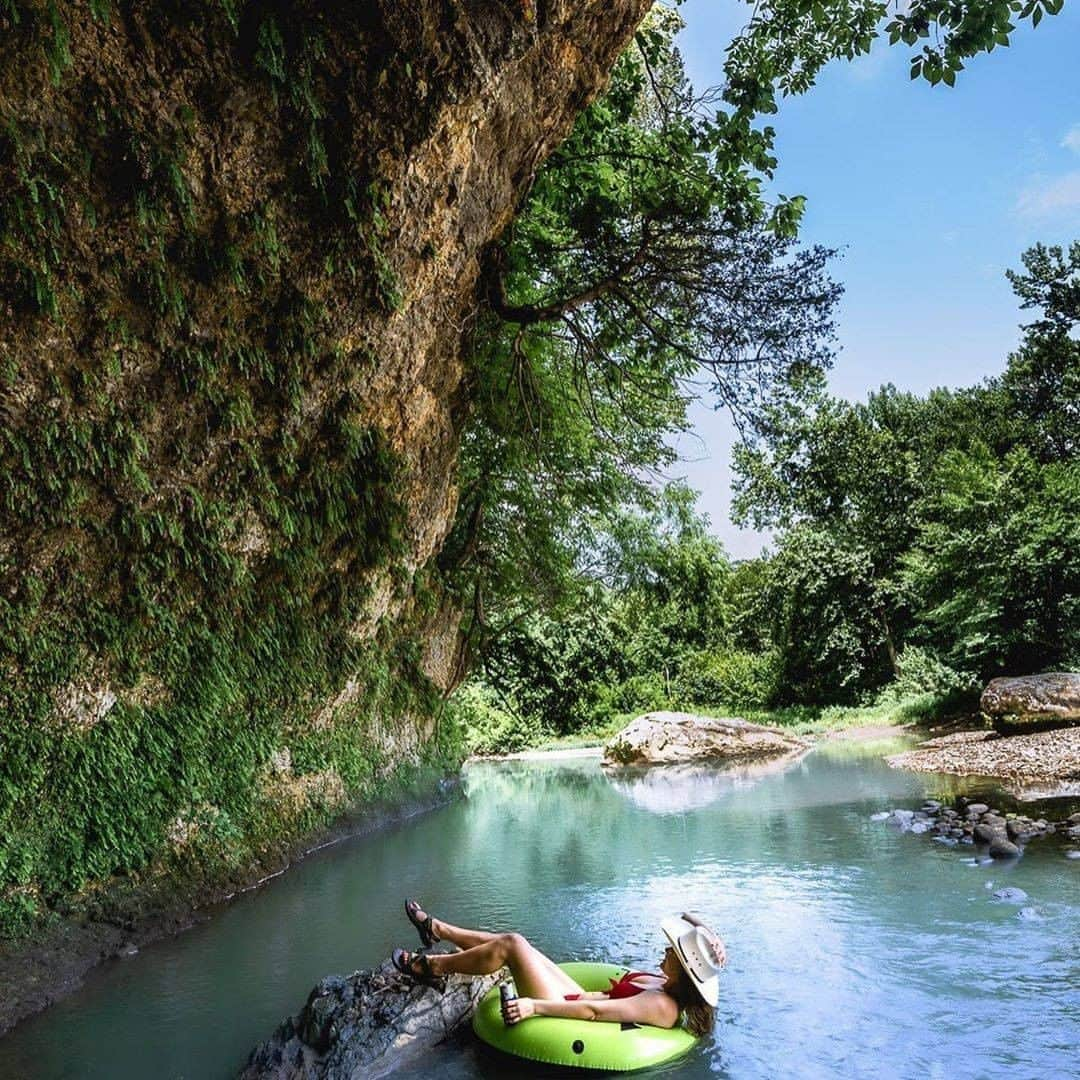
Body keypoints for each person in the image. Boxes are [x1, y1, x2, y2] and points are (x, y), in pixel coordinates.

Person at [393, 900, 726, 1038]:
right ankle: (438, 930)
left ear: (684, 969)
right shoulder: (665, 983)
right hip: (574, 993)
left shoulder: (663, 1006)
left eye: (674, 950)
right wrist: (710, 935)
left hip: (566, 1009)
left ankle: (432, 966)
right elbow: (686, 916)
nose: (667, 948)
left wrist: (533, 1005)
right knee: (520, 944)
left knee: (513, 944)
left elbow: (594, 1012)